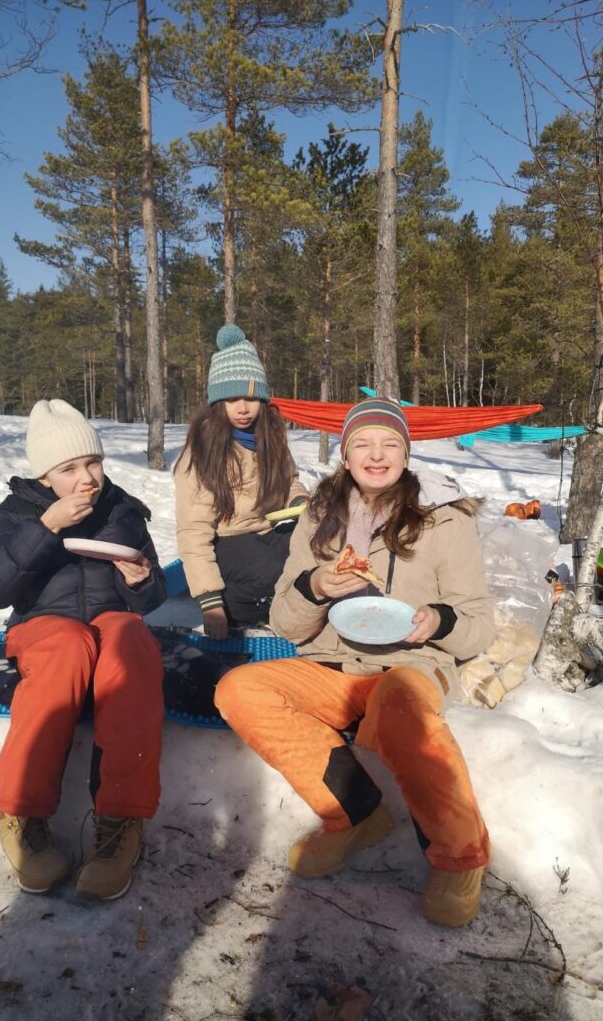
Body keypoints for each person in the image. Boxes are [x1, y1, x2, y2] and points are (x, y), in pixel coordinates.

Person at [215, 397, 495, 927]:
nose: (376, 455)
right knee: (239, 689)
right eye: (363, 444)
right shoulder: (319, 517)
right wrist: (315, 586)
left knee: (400, 703)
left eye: (390, 444)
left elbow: (480, 624)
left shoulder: (443, 521)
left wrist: (439, 620)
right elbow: (286, 625)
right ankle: (357, 813)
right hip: (330, 664)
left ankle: (462, 855)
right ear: (345, 456)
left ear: (406, 454)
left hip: (410, 665)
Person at [0, 399, 166, 900]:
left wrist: (141, 580)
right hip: (43, 628)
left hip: (110, 622)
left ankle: (121, 819)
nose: (87, 478)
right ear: (44, 475)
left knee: (133, 642)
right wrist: (46, 528)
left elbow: (153, 596)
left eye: (92, 462)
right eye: (69, 468)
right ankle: (21, 813)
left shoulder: (121, 510)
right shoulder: (16, 514)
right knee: (68, 646)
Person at [174, 324, 308, 639]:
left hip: (267, 532)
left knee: (314, 550)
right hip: (226, 542)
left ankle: (299, 608)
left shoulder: (270, 437)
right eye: (232, 398)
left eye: (251, 398)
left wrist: (299, 501)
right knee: (271, 571)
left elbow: (290, 481)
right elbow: (193, 531)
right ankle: (237, 610)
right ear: (218, 401)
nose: (243, 408)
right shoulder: (203, 450)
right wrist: (210, 602)